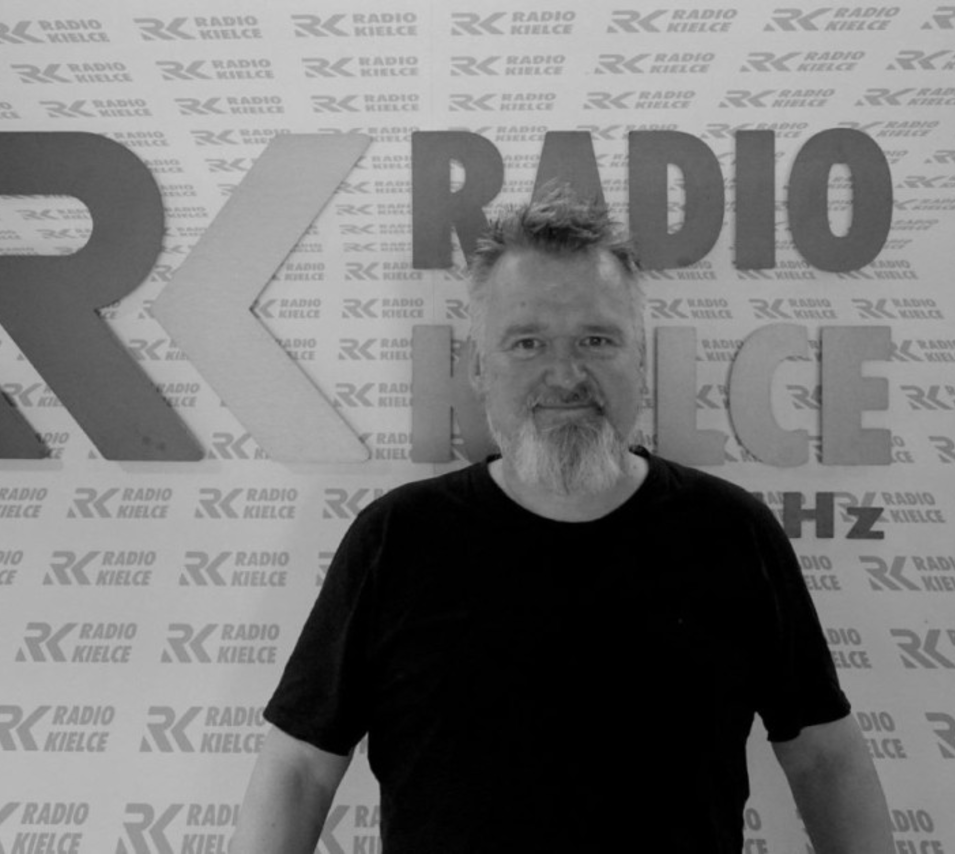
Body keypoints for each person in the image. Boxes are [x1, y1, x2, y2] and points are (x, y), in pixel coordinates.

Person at [230, 187, 896, 853]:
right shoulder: (395, 540)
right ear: (478, 367)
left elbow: (824, 760)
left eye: (596, 340)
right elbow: (299, 772)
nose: (566, 375)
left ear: (639, 359)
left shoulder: (733, 534)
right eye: (527, 343)